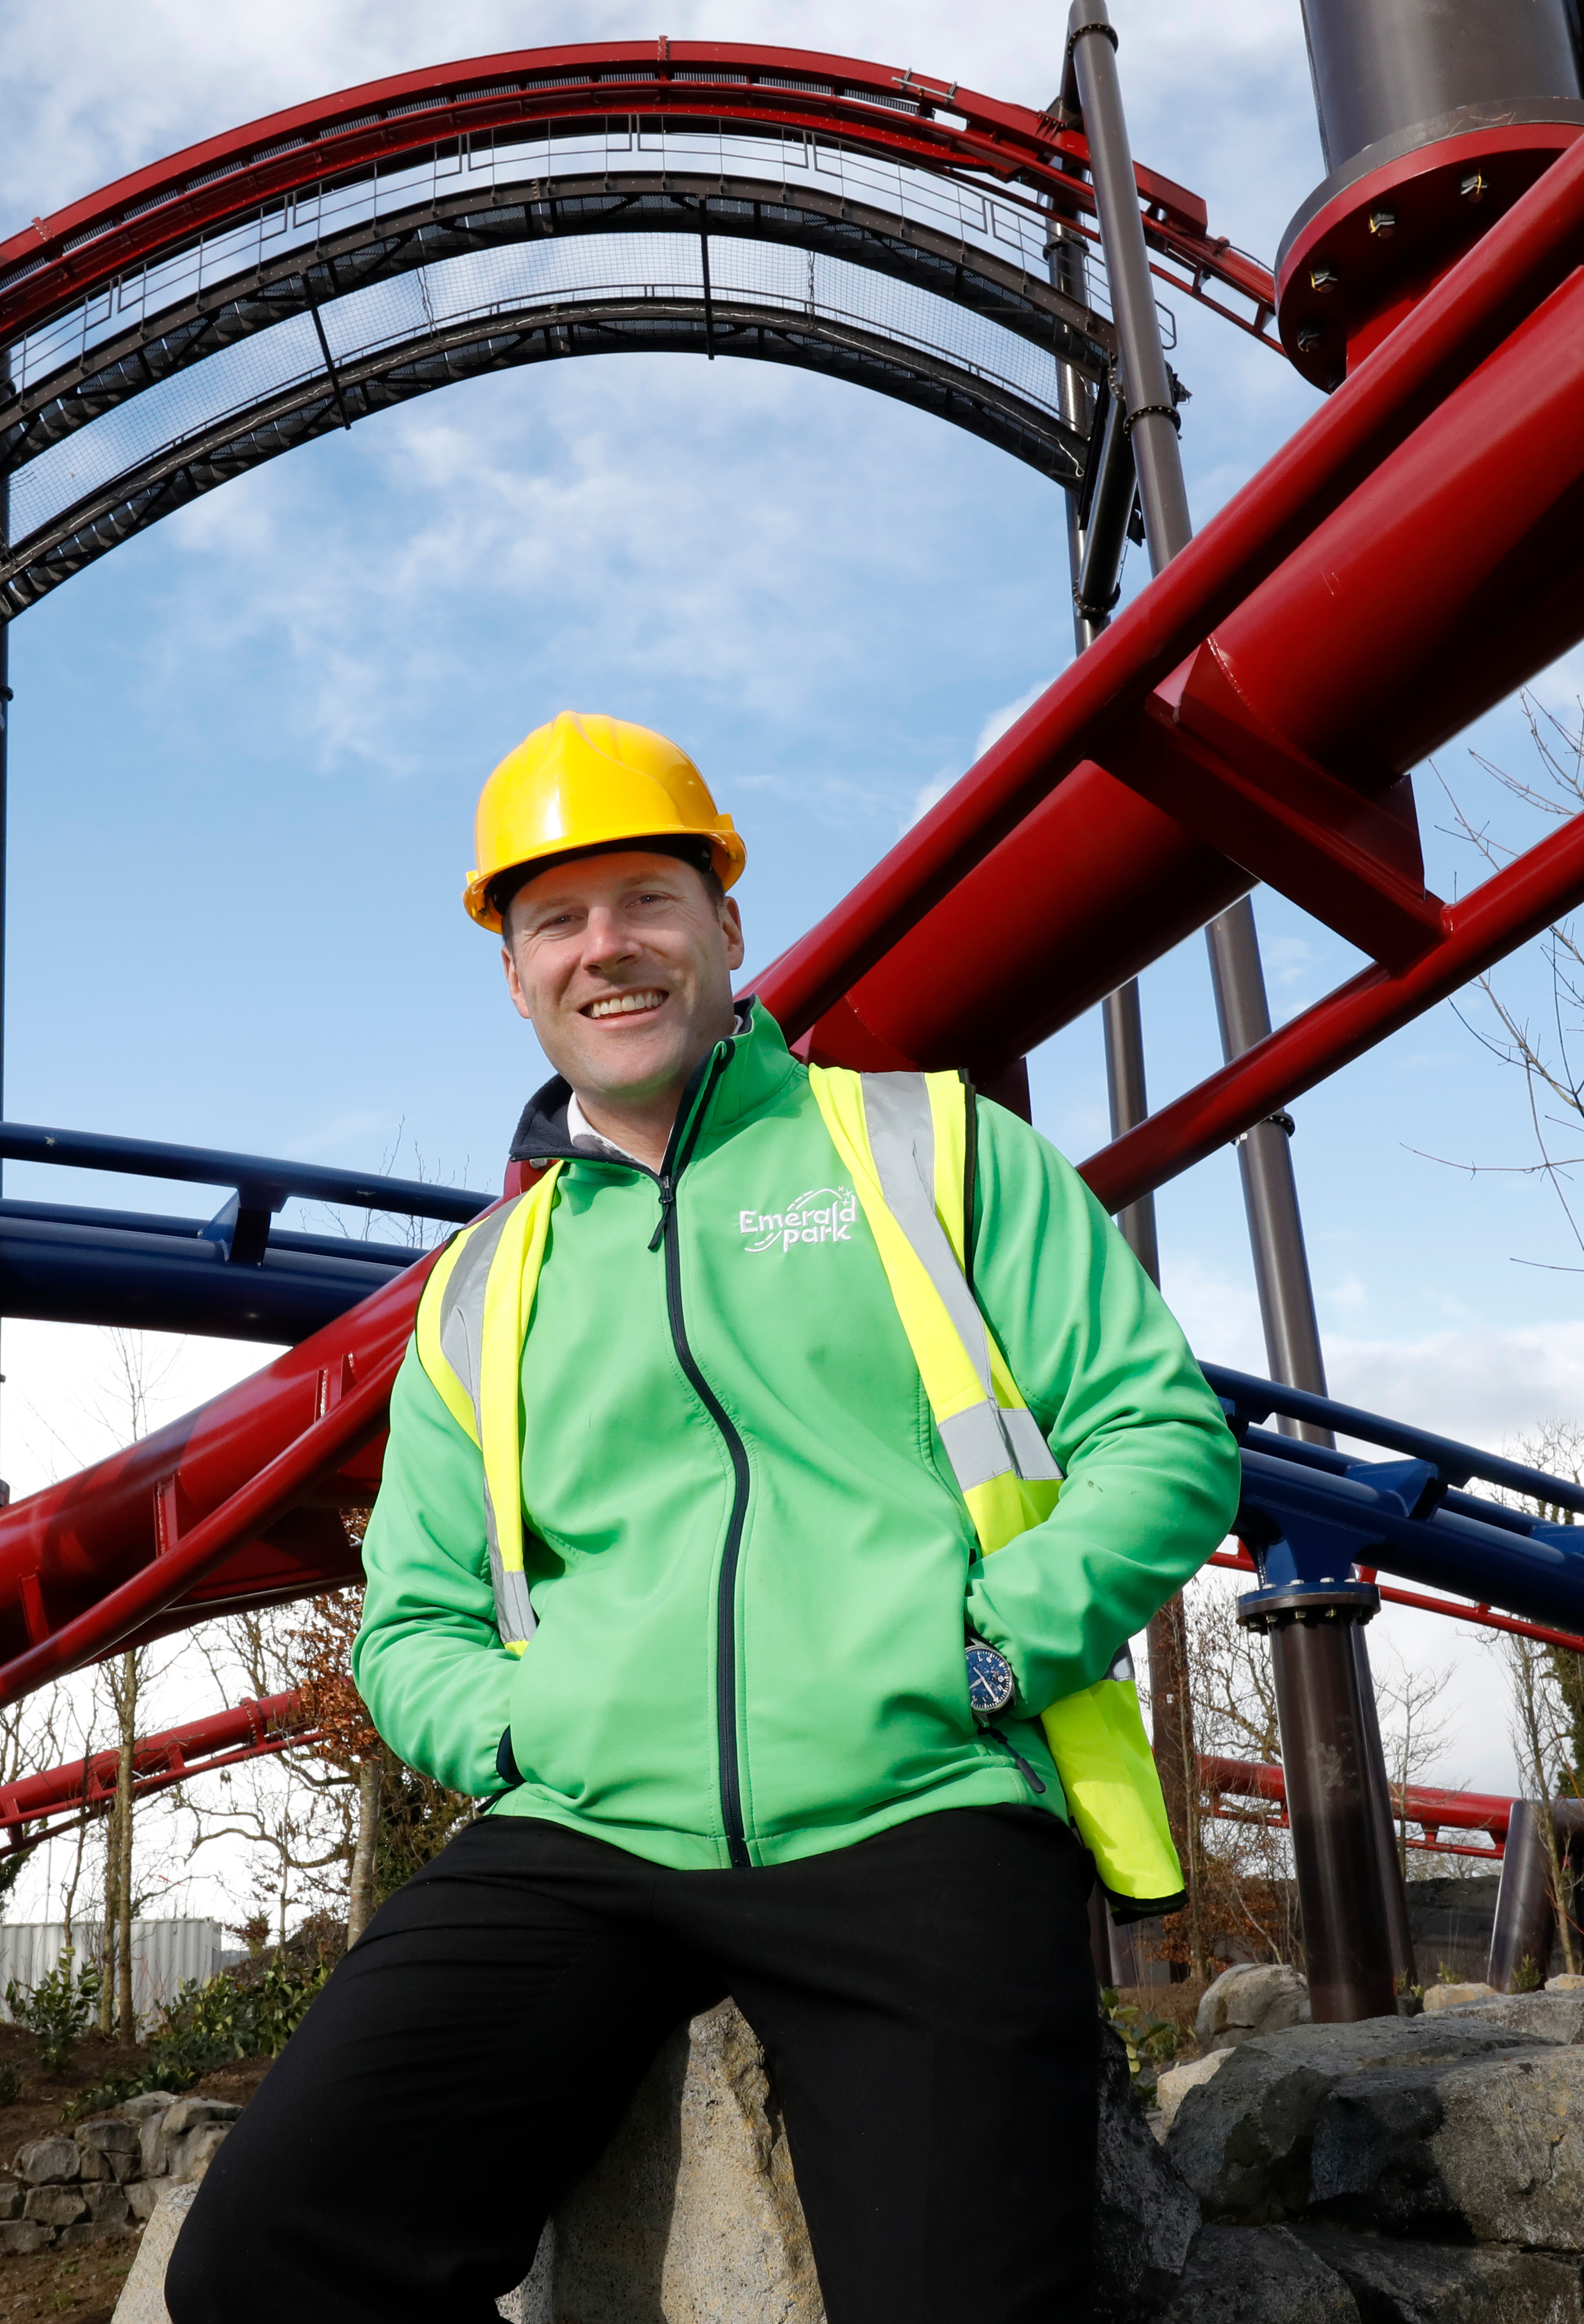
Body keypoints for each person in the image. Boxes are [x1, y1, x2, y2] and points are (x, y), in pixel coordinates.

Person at [167, 711, 1240, 2323]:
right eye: (555, 920)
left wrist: (983, 1658)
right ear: (513, 972)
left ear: (725, 928)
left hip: (917, 1795)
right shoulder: (482, 1289)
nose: (607, 949)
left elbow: (1155, 1436)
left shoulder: (932, 1149)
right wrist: (536, 1730)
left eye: (646, 903)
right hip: (588, 1826)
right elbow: (411, 1619)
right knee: (263, 2269)